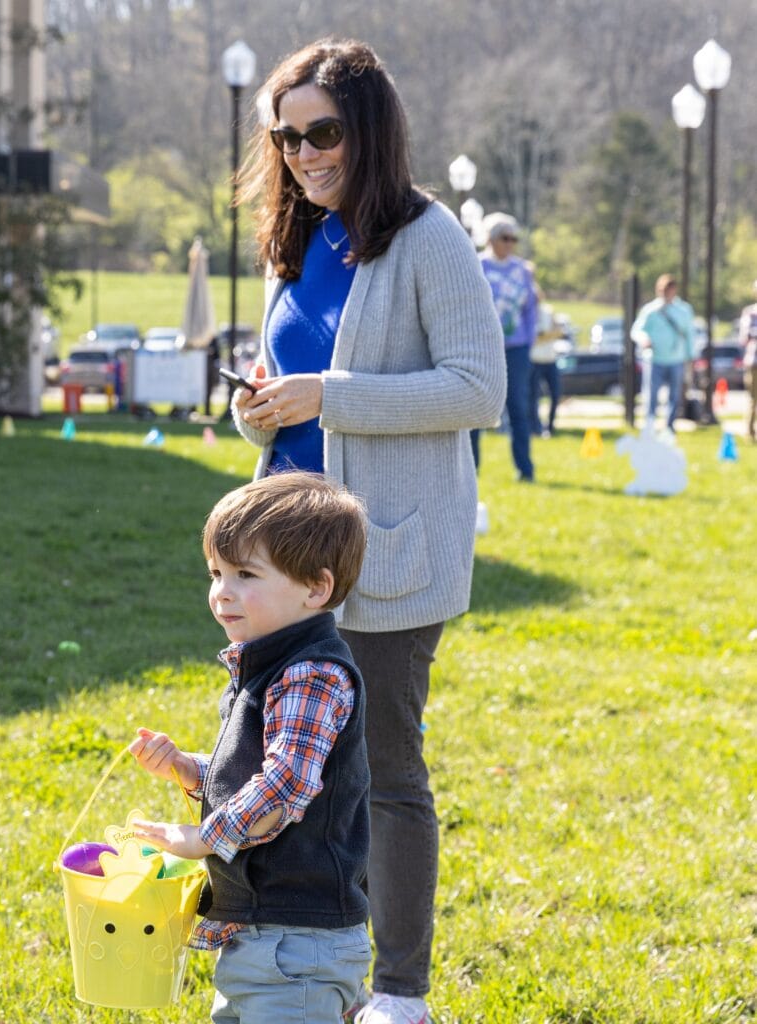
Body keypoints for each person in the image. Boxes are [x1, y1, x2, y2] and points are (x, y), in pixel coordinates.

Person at [227, 38, 506, 1024]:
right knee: (275, 764)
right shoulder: (298, 237)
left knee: (384, 777)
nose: (303, 154)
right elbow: (290, 390)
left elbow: (477, 387)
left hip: (385, 554)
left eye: (324, 132)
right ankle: (292, 964)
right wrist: (260, 408)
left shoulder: (428, 236)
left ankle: (399, 992)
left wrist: (330, 396)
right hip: (281, 560)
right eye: (286, 137)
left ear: (370, 128)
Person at [129, 471, 371, 1024]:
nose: (222, 591)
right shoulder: (271, 663)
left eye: (245, 574)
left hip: (297, 945)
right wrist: (191, 770)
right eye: (216, 572)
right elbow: (263, 773)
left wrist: (202, 838)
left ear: (316, 588)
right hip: (266, 937)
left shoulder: (312, 674)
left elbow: (285, 785)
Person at [470, 212, 537, 480]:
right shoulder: (477, 265)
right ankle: (471, 471)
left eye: (513, 239)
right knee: (475, 407)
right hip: (483, 348)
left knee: (518, 407)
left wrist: (528, 341)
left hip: (516, 348)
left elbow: (530, 310)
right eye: (504, 238)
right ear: (491, 239)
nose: (509, 243)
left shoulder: (523, 270)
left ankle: (525, 469)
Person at [630, 273, 695, 432]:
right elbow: (636, 330)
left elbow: (689, 335)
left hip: (676, 359)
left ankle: (669, 426)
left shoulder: (683, 310)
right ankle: (649, 426)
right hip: (654, 359)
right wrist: (644, 339)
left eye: (669, 289)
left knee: (674, 396)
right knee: (651, 395)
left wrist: (690, 357)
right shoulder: (650, 310)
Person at [529, 288, 561, 437]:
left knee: (555, 394)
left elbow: (558, 332)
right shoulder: (528, 315)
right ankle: (535, 427)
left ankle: (550, 427)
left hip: (550, 360)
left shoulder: (549, 311)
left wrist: (543, 337)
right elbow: (530, 339)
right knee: (533, 397)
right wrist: (545, 336)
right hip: (535, 361)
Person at [738, 279, 757, 442]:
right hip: (754, 361)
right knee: (753, 398)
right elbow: (744, 337)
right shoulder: (750, 312)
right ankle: (750, 432)